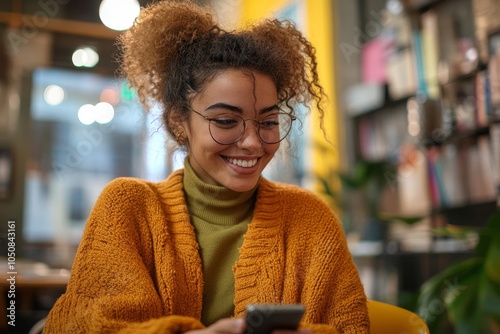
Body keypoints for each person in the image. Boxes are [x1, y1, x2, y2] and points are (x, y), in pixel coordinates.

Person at [44, 0, 370, 333]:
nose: (253, 142)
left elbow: (351, 328)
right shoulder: (127, 208)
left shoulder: (311, 220)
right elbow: (88, 327)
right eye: (227, 121)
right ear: (179, 122)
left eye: (269, 121)